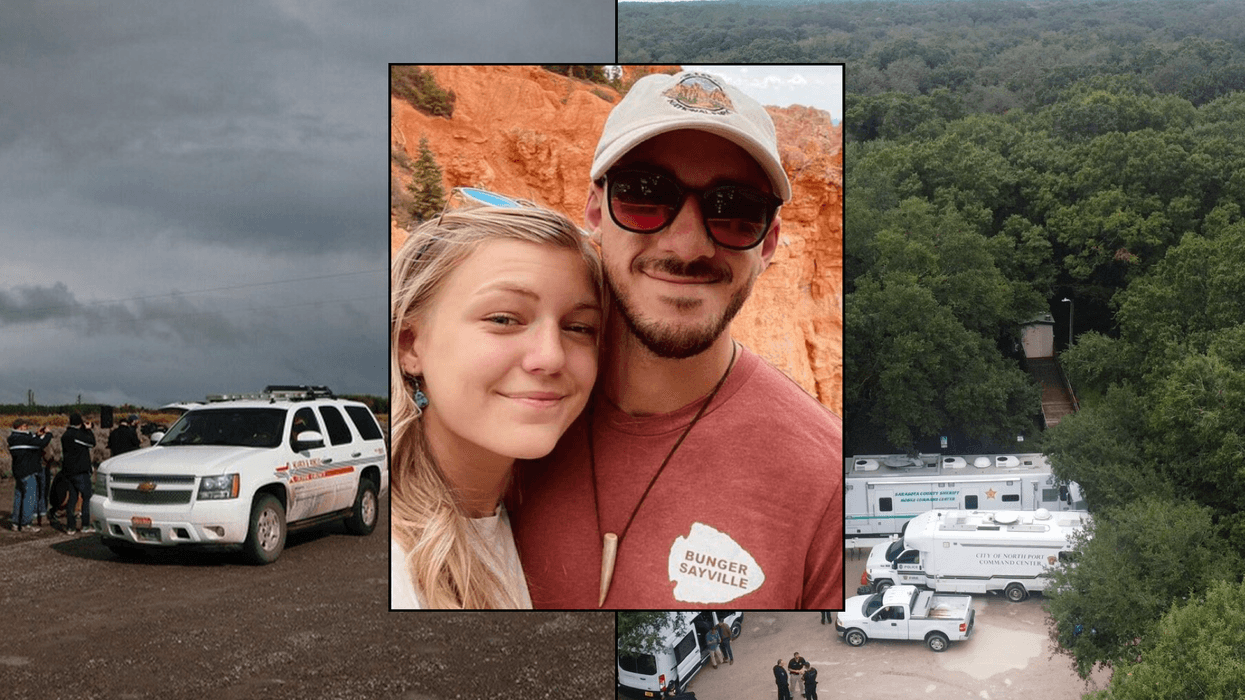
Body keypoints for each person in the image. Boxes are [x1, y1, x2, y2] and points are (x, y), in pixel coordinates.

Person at [509, 69, 844, 608]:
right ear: (596, 211)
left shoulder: (823, 481)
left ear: (769, 243)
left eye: (733, 210)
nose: (687, 245)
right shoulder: (507, 419)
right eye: (647, 197)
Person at [389, 203, 605, 609]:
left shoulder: (528, 512)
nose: (551, 357)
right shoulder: (399, 573)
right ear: (409, 345)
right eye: (505, 319)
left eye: (579, 328)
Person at [8, 419, 52, 532]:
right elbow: (40, 443)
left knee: (19, 497)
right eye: (25, 426)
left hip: (18, 472)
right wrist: (48, 434)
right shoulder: (23, 438)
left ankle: (15, 522)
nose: (27, 428)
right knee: (29, 497)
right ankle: (26, 524)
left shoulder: (13, 438)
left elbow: (31, 440)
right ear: (20, 427)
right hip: (28, 471)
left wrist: (37, 434)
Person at [60, 413, 97, 534]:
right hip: (81, 470)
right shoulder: (78, 435)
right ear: (80, 423)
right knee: (87, 497)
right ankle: (85, 524)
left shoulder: (65, 435)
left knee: (72, 498)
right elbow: (92, 443)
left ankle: (70, 526)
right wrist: (88, 430)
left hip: (68, 470)